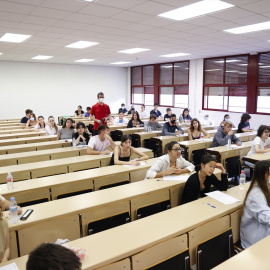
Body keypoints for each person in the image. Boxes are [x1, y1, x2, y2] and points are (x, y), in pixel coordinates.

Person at [240, 160, 270, 249]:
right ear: (262, 176)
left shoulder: (266, 188)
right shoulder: (256, 195)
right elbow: (265, 217)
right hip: (254, 242)